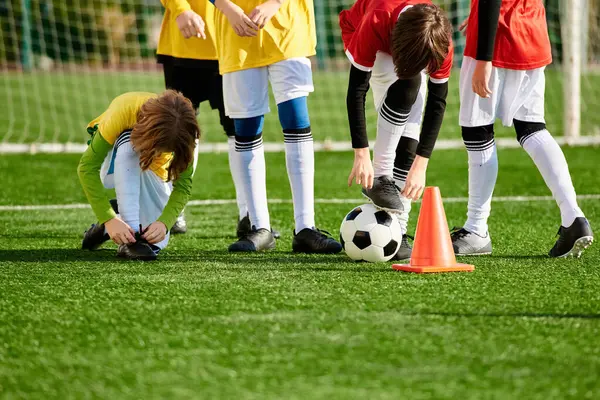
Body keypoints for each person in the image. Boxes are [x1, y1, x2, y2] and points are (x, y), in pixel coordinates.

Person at [450, 0, 594, 257]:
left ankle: (476, 229)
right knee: (532, 128)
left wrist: (484, 57)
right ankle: (574, 217)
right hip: (531, 32)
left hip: (499, 42)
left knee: (477, 131)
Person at [209, 0, 342, 253]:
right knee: (246, 128)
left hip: (288, 28)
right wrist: (229, 8)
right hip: (238, 33)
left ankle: (305, 227)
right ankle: (260, 228)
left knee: (296, 120)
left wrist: (276, 3)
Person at [339, 0, 453, 259]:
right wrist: (362, 155)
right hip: (361, 31)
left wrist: (421, 165)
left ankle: (399, 231)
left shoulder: (440, 42)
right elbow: (357, 90)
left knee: (412, 124)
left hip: (406, 43)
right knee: (410, 83)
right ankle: (380, 178)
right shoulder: (378, 18)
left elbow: (438, 103)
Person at [158, 0, 277, 239]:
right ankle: (172, 210)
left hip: (234, 45)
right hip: (184, 42)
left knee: (240, 131)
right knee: (178, 130)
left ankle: (250, 215)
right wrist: (181, 10)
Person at [78, 91, 199, 260]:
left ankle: (111, 224)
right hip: (114, 165)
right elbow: (87, 167)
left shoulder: (186, 132)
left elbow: (184, 187)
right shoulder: (124, 110)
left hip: (157, 171)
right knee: (129, 144)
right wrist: (107, 218)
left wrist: (164, 223)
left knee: (156, 239)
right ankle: (130, 238)